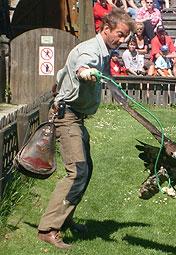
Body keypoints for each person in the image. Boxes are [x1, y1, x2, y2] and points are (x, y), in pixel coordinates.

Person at [37, 9, 134, 249]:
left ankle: (65, 218)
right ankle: (48, 229)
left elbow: (62, 73)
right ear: (106, 29)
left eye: (125, 37)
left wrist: (59, 84)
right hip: (67, 116)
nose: (122, 40)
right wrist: (83, 73)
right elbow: (82, 67)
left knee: (85, 170)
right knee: (77, 171)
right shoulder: (91, 50)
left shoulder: (105, 52)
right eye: (119, 35)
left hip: (76, 117)